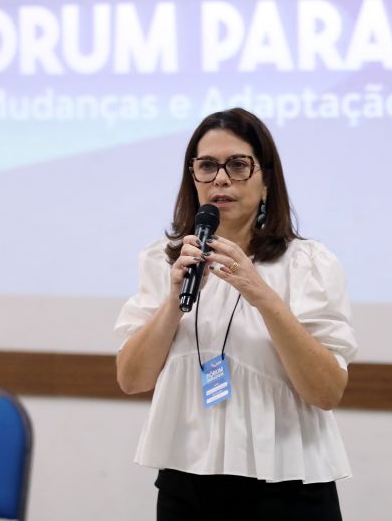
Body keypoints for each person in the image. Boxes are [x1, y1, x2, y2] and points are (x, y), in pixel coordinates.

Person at [114, 108, 357, 520]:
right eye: (207, 166)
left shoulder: (307, 264)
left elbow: (327, 391)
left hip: (288, 484)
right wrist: (174, 298)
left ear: (266, 181)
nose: (220, 179)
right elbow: (132, 378)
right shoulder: (164, 261)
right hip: (186, 483)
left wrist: (262, 295)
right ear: (192, 179)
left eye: (238, 165)